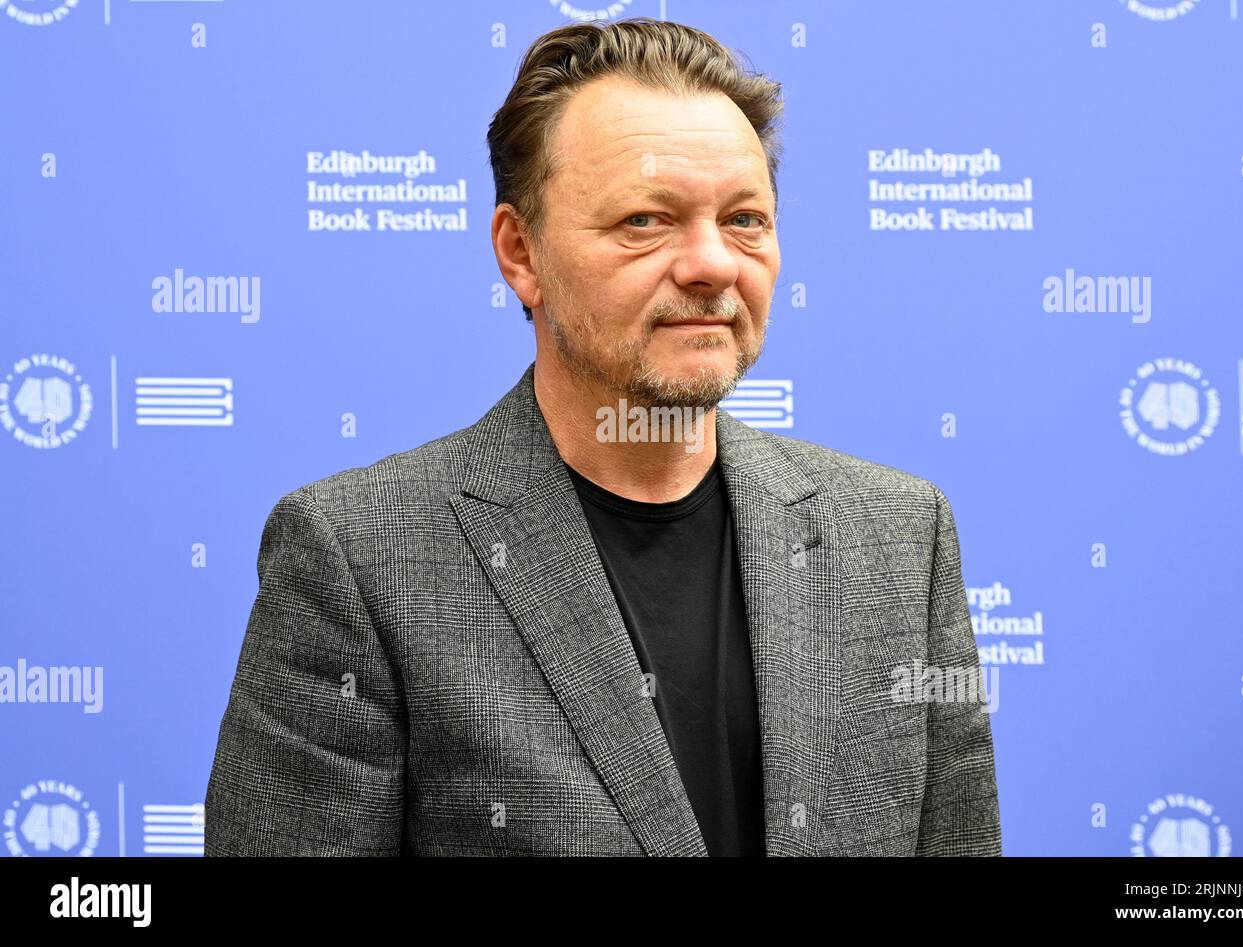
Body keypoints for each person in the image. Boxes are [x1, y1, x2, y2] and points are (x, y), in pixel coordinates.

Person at [204, 17, 1001, 856]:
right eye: (646, 221)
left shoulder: (902, 537)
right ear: (521, 252)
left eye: (745, 219)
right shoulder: (361, 559)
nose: (712, 264)